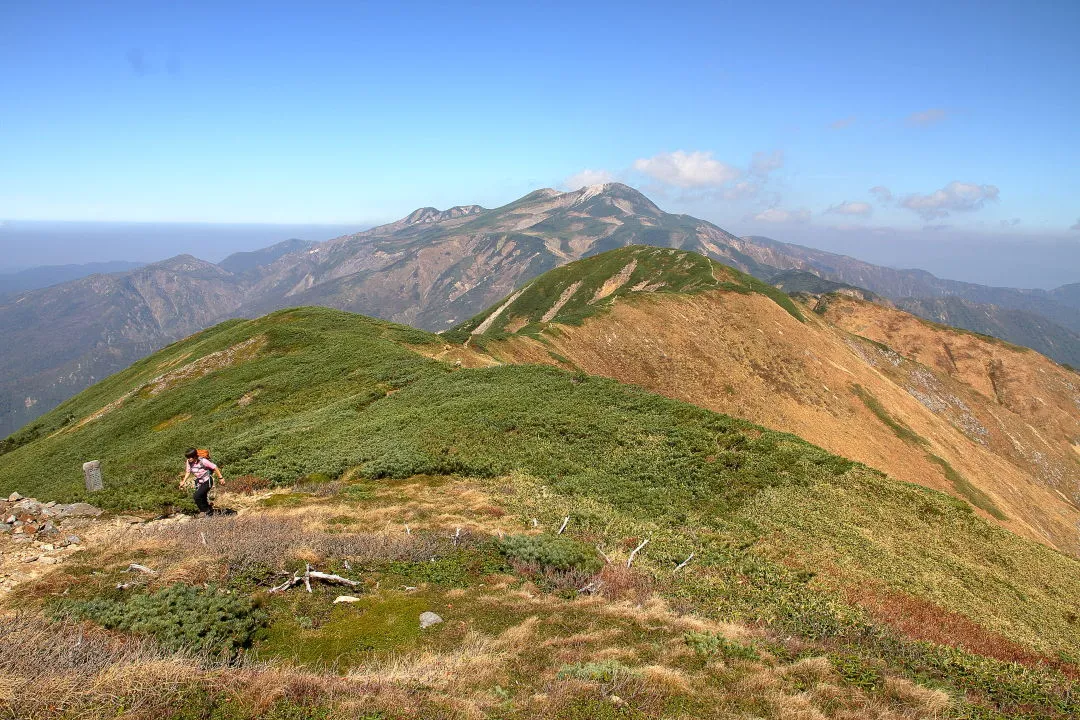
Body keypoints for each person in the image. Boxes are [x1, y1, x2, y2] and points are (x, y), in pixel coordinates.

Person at [180, 447, 224, 516]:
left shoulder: (203, 461)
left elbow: (214, 467)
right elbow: (188, 472)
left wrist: (220, 478)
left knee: (196, 496)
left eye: (190, 457)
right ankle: (209, 511)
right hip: (199, 482)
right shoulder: (189, 462)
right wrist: (183, 481)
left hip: (207, 481)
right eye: (187, 457)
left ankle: (204, 511)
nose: (188, 459)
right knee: (202, 497)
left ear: (194, 456)